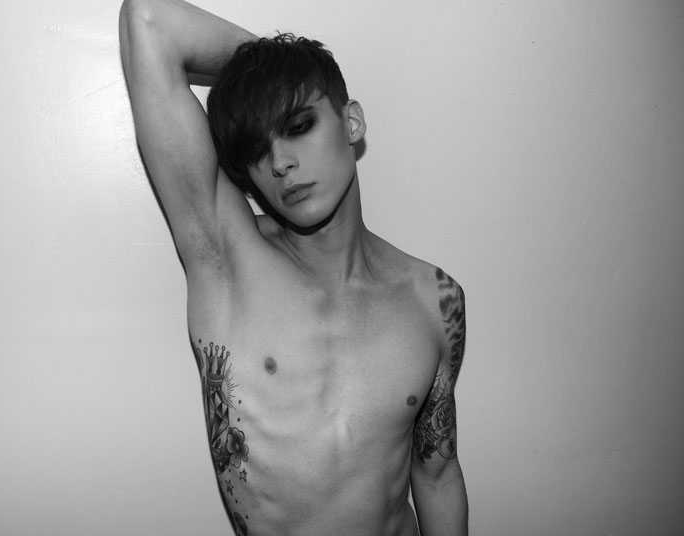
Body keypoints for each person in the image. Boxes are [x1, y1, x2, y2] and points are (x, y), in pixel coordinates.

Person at [118, 0, 468, 534]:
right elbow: (149, 20)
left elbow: (437, 474)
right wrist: (270, 69)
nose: (280, 162)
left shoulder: (434, 299)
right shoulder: (227, 262)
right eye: (258, 150)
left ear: (352, 122)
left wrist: (292, 71)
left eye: (299, 124)